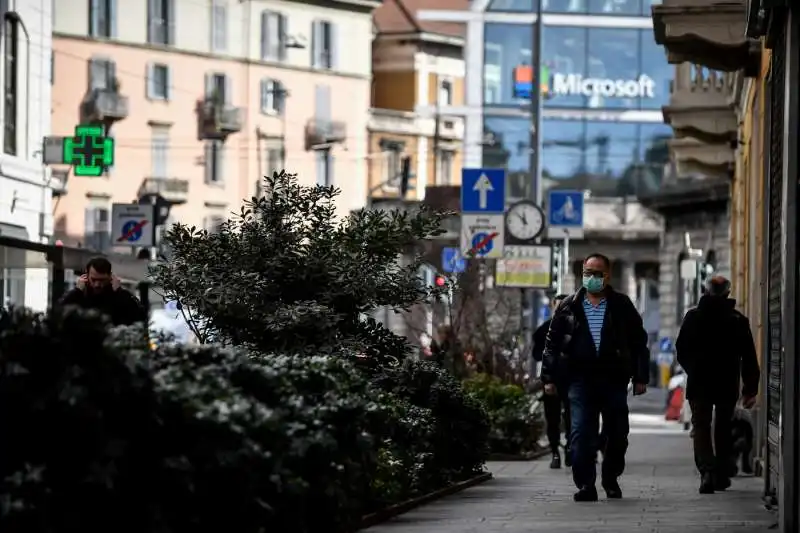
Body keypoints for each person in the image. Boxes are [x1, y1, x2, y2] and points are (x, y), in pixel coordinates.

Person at [541, 253, 650, 502]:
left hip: (614, 379)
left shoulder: (621, 305)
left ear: (607, 275)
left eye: (597, 273)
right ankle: (585, 485)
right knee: (579, 433)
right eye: (588, 273)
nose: (591, 278)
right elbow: (552, 344)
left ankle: (610, 478)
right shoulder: (569, 306)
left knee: (617, 433)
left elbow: (638, 342)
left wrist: (641, 376)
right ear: (582, 273)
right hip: (579, 380)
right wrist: (548, 378)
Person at [675, 275, 759, 494]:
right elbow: (749, 356)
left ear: (705, 291)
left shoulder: (693, 317)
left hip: (699, 383)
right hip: (726, 384)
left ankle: (707, 472)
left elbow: (681, 349)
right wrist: (750, 389)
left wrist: (692, 370)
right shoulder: (738, 320)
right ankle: (721, 474)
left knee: (701, 426)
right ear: (728, 293)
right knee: (723, 427)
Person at [533, 294, 571, 469]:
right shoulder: (543, 330)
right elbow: (536, 354)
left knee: (572, 417)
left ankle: (571, 449)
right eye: (558, 306)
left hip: (572, 380)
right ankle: (555, 451)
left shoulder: (575, 327)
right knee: (553, 418)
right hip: (551, 380)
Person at [59, 257, 147, 327]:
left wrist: (120, 292)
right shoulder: (79, 295)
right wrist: (76, 291)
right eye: (93, 280)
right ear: (86, 277)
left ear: (110, 277)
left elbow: (137, 316)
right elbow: (60, 313)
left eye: (102, 280)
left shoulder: (119, 296)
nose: (97, 284)